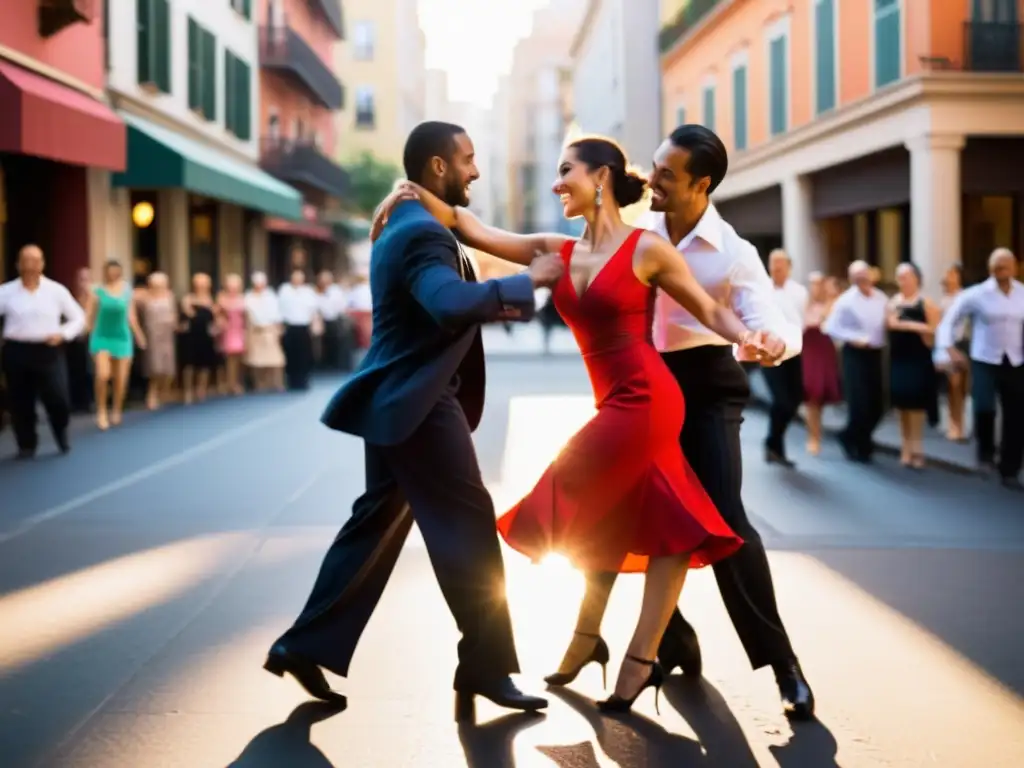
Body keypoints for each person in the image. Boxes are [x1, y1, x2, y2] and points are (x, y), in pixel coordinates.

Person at [265, 121, 562, 721]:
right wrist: (530, 281)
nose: (476, 171)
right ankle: (486, 666)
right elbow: (448, 304)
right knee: (470, 529)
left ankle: (303, 643)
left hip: (397, 401)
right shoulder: (422, 233)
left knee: (374, 523)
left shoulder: (411, 221)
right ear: (436, 167)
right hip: (421, 406)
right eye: (468, 160)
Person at [936, 248, 1023, 490]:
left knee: (1016, 415)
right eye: (996, 266)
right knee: (984, 406)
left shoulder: (1022, 294)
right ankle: (985, 455)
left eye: (1005, 265)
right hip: (985, 359)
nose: (1000, 270)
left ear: (1014, 268)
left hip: (1015, 361)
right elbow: (948, 322)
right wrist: (949, 349)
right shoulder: (976, 295)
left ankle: (1010, 469)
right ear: (989, 269)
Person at [0, 245, 85, 458]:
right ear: (18, 264)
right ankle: (26, 444)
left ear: (43, 264)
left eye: (35, 261)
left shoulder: (56, 291)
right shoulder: (6, 292)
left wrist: (63, 334)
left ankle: (61, 430)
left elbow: (78, 318)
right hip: (16, 350)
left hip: (48, 350)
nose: (30, 265)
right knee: (20, 400)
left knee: (58, 397)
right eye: (25, 261)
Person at [824, 260, 889, 464]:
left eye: (865, 275)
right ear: (852, 279)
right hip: (855, 354)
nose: (862, 280)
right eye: (857, 277)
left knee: (878, 404)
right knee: (859, 403)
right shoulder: (846, 300)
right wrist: (852, 337)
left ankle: (849, 435)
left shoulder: (881, 297)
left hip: (876, 353)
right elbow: (830, 327)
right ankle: (861, 443)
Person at [886, 262, 940, 469]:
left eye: (906, 276)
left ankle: (917, 448)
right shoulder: (893, 302)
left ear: (916, 278)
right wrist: (913, 327)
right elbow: (889, 324)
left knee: (916, 403)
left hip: (918, 358)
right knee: (902, 402)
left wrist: (906, 325)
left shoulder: (926, 303)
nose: (902, 280)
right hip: (899, 357)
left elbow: (934, 331)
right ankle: (905, 447)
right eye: (899, 277)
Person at [86, 260, 146, 430]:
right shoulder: (96, 291)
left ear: (119, 273)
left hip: (122, 337)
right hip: (101, 337)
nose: (112, 275)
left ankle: (117, 409)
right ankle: (101, 411)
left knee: (121, 379)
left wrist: (139, 336)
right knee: (102, 375)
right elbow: (89, 314)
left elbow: (131, 316)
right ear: (105, 273)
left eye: (115, 272)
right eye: (109, 272)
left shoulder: (127, 291)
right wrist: (86, 330)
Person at [763, 249, 808, 466]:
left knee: (795, 399)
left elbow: (805, 321)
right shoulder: (761, 289)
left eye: (780, 264)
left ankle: (774, 444)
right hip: (769, 353)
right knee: (781, 400)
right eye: (773, 263)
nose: (776, 268)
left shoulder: (799, 292)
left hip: (793, 351)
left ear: (789, 267)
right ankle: (774, 446)